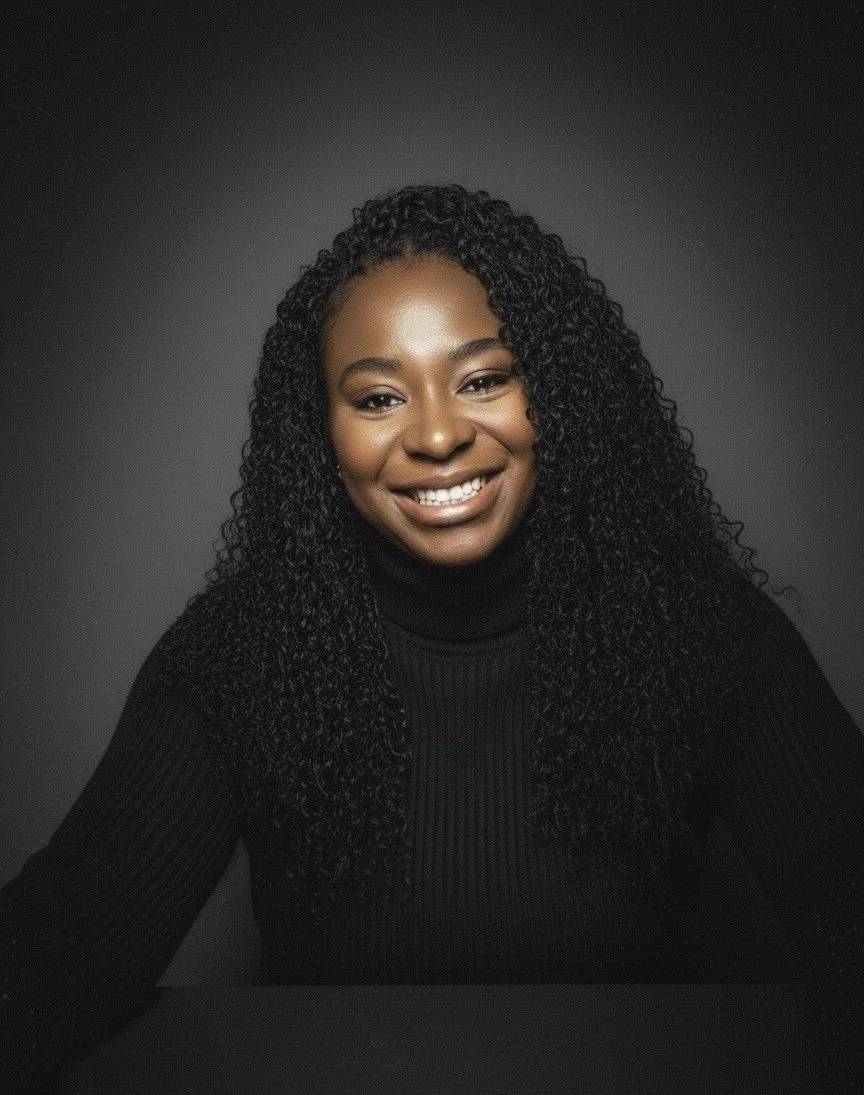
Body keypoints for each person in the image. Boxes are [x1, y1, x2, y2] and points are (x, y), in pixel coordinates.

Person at [1, 184, 862, 1091]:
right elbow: (75, 926)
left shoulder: (701, 630)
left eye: (485, 379)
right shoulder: (238, 655)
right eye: (377, 398)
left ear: (557, 390)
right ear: (322, 439)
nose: (441, 435)